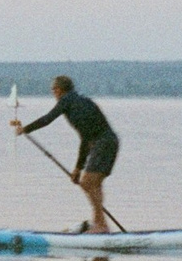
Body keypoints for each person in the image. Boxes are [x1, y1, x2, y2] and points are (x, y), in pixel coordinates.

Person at [13, 74, 118, 233]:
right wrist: (78, 168)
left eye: (53, 90)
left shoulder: (67, 101)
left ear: (59, 90)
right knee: (93, 184)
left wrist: (25, 129)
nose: (53, 94)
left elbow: (48, 119)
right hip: (108, 142)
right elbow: (85, 138)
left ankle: (101, 226)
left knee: (88, 182)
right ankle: (98, 223)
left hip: (103, 143)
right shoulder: (81, 102)